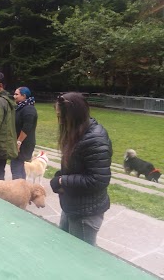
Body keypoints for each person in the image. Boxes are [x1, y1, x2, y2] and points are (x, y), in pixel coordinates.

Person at [50, 92, 112, 246]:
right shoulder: (77, 132)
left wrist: (62, 180)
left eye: (61, 117)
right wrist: (60, 177)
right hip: (73, 204)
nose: (59, 121)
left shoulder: (95, 140)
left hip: (86, 212)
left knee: (82, 260)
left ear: (73, 116)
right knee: (65, 248)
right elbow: (77, 166)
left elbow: (98, 180)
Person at [11, 87, 38, 179]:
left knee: (16, 168)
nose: (14, 96)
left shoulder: (29, 110)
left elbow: (27, 128)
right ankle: (21, 188)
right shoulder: (20, 107)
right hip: (19, 142)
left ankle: (18, 190)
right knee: (19, 168)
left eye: (16, 94)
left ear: (24, 96)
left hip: (24, 144)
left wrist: (18, 142)